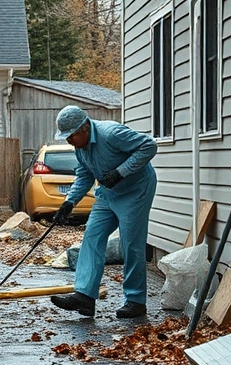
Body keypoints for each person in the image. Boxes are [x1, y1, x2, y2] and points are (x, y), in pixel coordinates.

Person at [49, 105, 158, 319]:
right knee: (92, 237)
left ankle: (136, 301)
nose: (68, 142)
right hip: (108, 192)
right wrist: (69, 201)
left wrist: (120, 172)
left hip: (135, 190)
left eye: (70, 137)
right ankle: (85, 297)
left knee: (131, 244)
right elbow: (84, 175)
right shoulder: (80, 149)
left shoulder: (112, 133)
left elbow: (149, 146)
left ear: (84, 129)